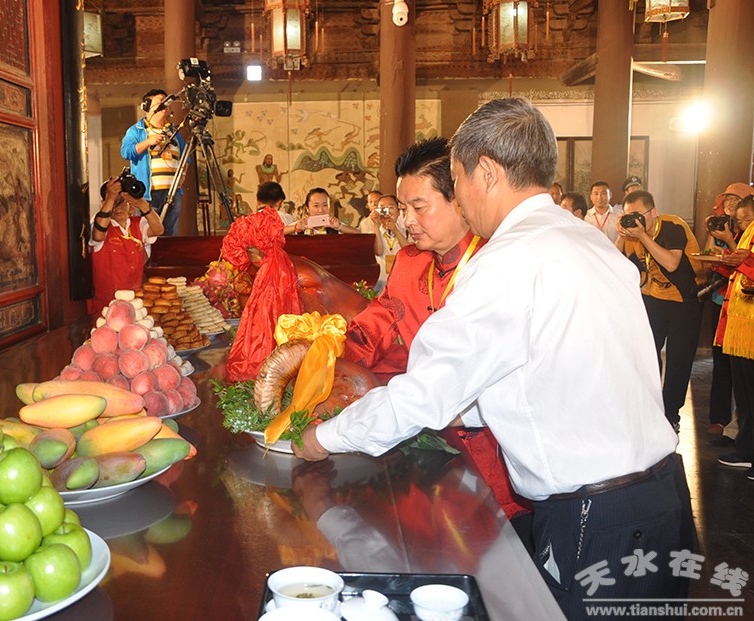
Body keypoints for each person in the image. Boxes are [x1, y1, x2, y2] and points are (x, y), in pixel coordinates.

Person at [293, 98, 693, 619]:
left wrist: (322, 439)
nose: (459, 199)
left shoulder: (506, 260)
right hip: (663, 498)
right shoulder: (588, 242)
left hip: (599, 518)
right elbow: (549, 372)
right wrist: (467, 409)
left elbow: (423, 394)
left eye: (456, 180)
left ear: (486, 172)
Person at [343, 138, 531, 537]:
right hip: (430, 448)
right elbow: (377, 324)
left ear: (459, 199)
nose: (406, 221)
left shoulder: (496, 263)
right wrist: (330, 360)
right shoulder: (409, 263)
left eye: (419, 208)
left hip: (502, 455)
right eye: (402, 209)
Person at [615, 190, 705, 430]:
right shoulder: (633, 235)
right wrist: (622, 236)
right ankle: (651, 409)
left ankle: (671, 415)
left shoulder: (672, 226)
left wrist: (642, 237)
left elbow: (672, 263)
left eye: (638, 215)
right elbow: (613, 263)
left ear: (653, 212)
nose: (634, 220)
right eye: (628, 216)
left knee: (678, 360)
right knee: (646, 354)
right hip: (654, 297)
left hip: (684, 299)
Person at [703, 183, 754, 434]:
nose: (731, 204)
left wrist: (729, 243)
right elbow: (723, 264)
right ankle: (726, 425)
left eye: (736, 199)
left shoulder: (746, 233)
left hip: (746, 315)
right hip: (728, 307)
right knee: (725, 367)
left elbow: (747, 264)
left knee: (746, 382)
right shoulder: (728, 226)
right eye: (728, 199)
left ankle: (742, 436)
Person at [716, 195, 754, 480]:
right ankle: (746, 449)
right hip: (740, 323)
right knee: (744, 395)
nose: (742, 224)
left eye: (746, 219)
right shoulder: (747, 234)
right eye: (740, 220)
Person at [89, 176, 164, 312]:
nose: (118, 207)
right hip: (107, 307)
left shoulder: (138, 224)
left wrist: (142, 204)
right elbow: (98, 235)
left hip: (135, 305)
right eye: (114, 203)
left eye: (123, 202)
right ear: (104, 203)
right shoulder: (99, 222)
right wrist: (110, 198)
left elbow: (158, 230)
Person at [120, 89, 186, 236]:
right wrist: (148, 142)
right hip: (149, 194)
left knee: (170, 236)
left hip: (172, 194)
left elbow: (186, 156)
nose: (164, 105)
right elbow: (126, 152)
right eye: (160, 102)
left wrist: (183, 175)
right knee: (146, 234)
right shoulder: (137, 130)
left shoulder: (174, 131)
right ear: (147, 106)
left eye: (166, 102)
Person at [363, 194, 410, 292]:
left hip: (402, 283)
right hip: (381, 286)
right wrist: (375, 225)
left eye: (391, 208)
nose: (387, 212)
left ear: (398, 211)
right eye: (382, 209)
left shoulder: (408, 232)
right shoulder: (373, 233)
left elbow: (409, 253)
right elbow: (378, 251)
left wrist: (396, 231)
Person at [291, 188, 361, 235]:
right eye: (316, 206)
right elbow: (283, 232)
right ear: (307, 208)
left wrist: (339, 227)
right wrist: (296, 228)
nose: (321, 210)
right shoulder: (302, 223)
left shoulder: (333, 223)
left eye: (325, 205)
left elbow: (359, 234)